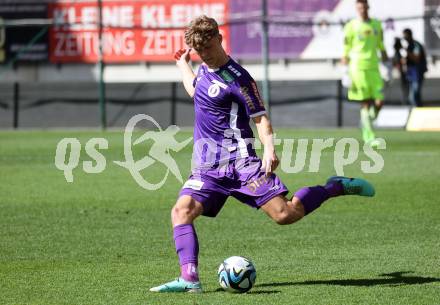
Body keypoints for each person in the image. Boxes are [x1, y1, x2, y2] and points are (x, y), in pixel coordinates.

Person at [149, 15, 375, 293]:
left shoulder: (241, 80)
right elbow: (196, 90)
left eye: (207, 48)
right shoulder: (203, 70)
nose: (204, 55)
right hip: (209, 167)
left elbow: (261, 119)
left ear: (220, 39)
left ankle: (334, 187)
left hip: (242, 164)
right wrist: (183, 64)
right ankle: (190, 279)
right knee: (181, 211)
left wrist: (269, 149)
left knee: (285, 215)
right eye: (199, 51)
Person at [342, 0, 389, 145]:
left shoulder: (376, 24)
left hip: (373, 68)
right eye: (359, 7)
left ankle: (366, 120)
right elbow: (346, 49)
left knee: (379, 101)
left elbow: (381, 46)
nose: (362, 10)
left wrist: (387, 65)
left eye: (364, 7)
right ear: (357, 9)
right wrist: (345, 71)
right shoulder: (351, 26)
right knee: (366, 102)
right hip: (357, 68)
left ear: (368, 7)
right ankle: (369, 137)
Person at [402, 28, 428, 107]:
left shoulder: (415, 44)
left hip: (417, 72)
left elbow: (416, 58)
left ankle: (418, 111)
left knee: (414, 95)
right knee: (413, 96)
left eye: (405, 36)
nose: (404, 38)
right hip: (411, 73)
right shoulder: (409, 45)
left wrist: (407, 51)